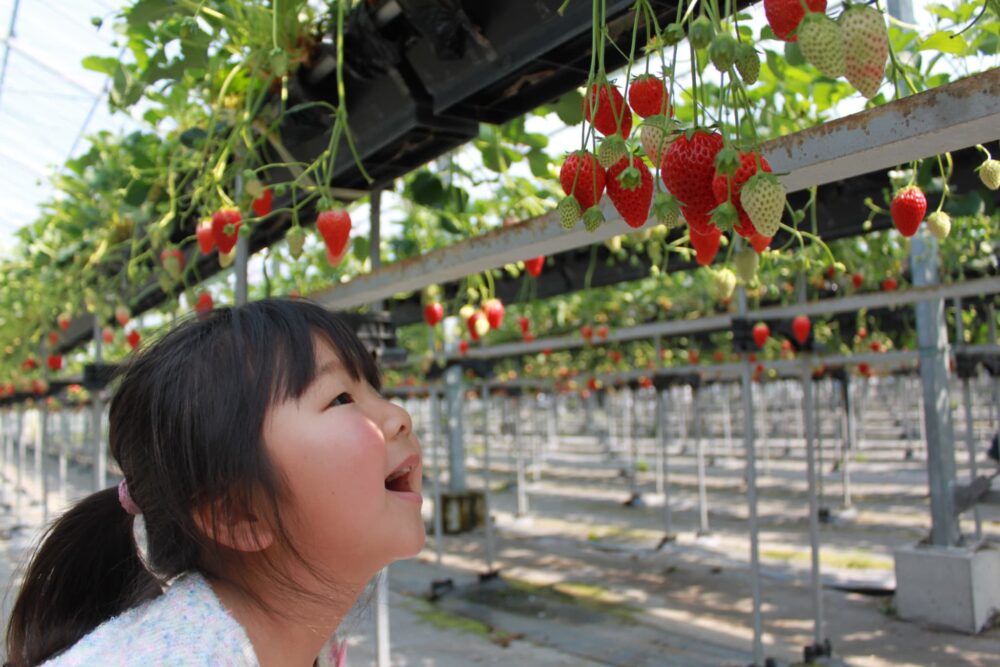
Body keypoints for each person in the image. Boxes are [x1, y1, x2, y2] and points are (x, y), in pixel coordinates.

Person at [4, 299, 425, 666]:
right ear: (237, 513)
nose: (397, 415)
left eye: (375, 387)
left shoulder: (314, 645)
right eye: (341, 399)